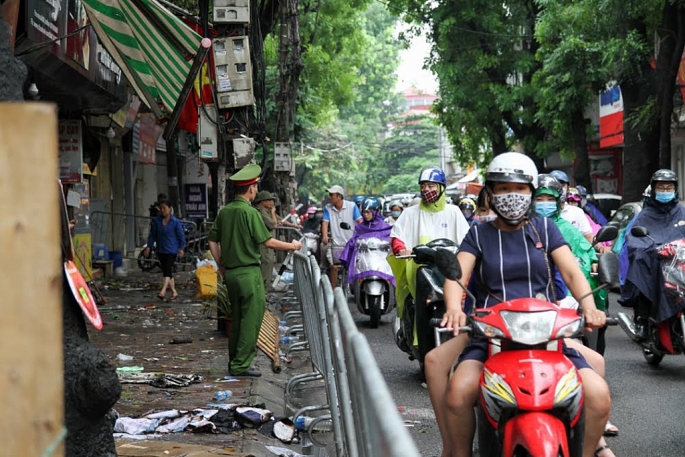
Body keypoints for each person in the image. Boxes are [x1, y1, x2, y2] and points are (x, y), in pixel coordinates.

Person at [435, 153, 612, 457]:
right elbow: (457, 275)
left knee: (598, 395)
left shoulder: (545, 229)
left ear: (530, 191)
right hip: (492, 336)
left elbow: (571, 271)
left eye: (519, 188)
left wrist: (589, 304)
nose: (511, 196)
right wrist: (453, 306)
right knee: (458, 392)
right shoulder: (478, 233)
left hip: (547, 337)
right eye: (502, 189)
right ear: (490, 193)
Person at [208, 164, 302, 377]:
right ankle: (241, 365)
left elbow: (212, 240)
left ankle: (235, 362)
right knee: (251, 320)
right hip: (249, 274)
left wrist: (221, 264)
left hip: (230, 274)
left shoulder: (225, 212)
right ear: (251, 189)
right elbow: (268, 241)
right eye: (255, 186)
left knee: (238, 317)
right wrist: (293, 246)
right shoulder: (249, 213)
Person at [619, 169, 685, 340]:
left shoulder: (681, 212)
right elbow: (634, 238)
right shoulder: (645, 215)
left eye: (668, 187)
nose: (665, 191)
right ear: (654, 189)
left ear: (675, 189)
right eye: (661, 187)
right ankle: (642, 319)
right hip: (655, 261)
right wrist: (648, 250)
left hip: (679, 262)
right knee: (642, 267)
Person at [339, 197, 394, 286]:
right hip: (364, 262)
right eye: (364, 212)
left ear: (375, 212)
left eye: (368, 212)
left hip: (382, 263)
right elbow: (353, 242)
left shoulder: (386, 227)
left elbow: (392, 240)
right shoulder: (360, 227)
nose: (365, 215)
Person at [143, 199, 185, 301]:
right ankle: (174, 292)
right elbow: (152, 235)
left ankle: (163, 291)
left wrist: (181, 248)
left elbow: (181, 236)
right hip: (161, 249)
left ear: (169, 209)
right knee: (167, 271)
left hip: (171, 249)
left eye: (164, 208)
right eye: (160, 208)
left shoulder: (175, 222)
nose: (162, 210)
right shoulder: (156, 221)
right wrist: (148, 246)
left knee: (167, 269)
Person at [321, 185, 363, 288]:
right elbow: (325, 223)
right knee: (333, 267)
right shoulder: (328, 208)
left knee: (356, 266)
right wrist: (325, 236)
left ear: (339, 196)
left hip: (351, 243)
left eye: (332, 195)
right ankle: (333, 292)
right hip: (336, 243)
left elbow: (360, 221)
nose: (329, 197)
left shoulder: (352, 206)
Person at [550, 169, 594, 243]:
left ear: (568, 188)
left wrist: (600, 247)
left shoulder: (576, 212)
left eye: (562, 184)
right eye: (555, 184)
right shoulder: (541, 212)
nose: (558, 188)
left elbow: (588, 236)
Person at [253, 190, 280, 292]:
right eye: (268, 200)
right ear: (262, 201)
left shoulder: (264, 211)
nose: (271, 203)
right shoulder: (261, 212)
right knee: (265, 270)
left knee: (268, 268)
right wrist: (273, 212)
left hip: (268, 246)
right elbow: (273, 224)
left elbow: (279, 220)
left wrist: (295, 225)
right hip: (264, 246)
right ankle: (263, 294)